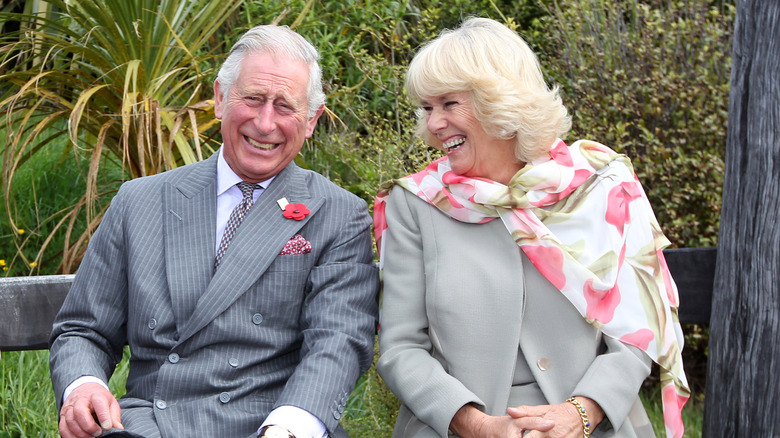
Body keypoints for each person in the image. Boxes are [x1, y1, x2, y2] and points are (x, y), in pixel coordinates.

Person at [49, 24, 379, 438]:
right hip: (150, 423)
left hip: (273, 424)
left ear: (311, 120)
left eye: (284, 106)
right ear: (221, 99)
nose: (264, 123)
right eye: (253, 99)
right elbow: (84, 329)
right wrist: (84, 386)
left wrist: (291, 426)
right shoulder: (140, 201)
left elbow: (337, 341)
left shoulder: (338, 214)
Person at [373, 17, 689, 438]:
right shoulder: (415, 203)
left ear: (498, 101)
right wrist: (479, 425)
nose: (432, 125)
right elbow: (401, 349)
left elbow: (639, 329)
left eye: (449, 104)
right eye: (427, 108)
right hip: (454, 428)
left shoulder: (601, 185)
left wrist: (581, 413)